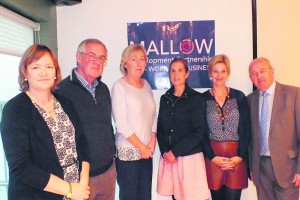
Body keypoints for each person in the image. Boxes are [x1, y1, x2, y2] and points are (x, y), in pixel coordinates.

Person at [0, 44, 90, 200]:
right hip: (37, 195)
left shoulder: (65, 103)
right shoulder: (14, 110)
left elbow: (82, 142)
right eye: (36, 67)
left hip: (76, 192)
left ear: (55, 72)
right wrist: (69, 189)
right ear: (25, 72)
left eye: (49, 66)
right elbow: (21, 167)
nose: (43, 73)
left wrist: (82, 183)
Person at [56, 39, 116, 200]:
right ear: (78, 56)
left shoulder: (103, 89)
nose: (98, 61)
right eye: (92, 55)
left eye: (102, 58)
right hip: (81, 178)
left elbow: (107, 125)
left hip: (108, 171)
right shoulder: (61, 91)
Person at [157, 58, 210, 200]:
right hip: (170, 160)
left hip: (190, 159)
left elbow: (198, 133)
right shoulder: (165, 99)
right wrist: (164, 152)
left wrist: (175, 152)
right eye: (173, 71)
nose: (176, 74)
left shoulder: (197, 99)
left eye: (180, 70)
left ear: (187, 73)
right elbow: (160, 129)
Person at [247, 57, 300, 200]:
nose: (258, 76)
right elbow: (250, 138)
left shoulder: (294, 94)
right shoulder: (250, 100)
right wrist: (252, 167)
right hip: (261, 169)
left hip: (287, 168)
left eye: (262, 71)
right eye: (254, 73)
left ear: (272, 71)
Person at [111, 44, 157, 200]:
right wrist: (141, 147)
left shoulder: (147, 85)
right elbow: (121, 124)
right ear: (125, 63)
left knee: (145, 196)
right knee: (130, 196)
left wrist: (153, 139)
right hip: (128, 153)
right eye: (134, 59)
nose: (139, 63)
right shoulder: (119, 86)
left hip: (146, 152)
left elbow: (153, 115)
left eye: (142, 59)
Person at [202, 54, 251, 200]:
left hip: (236, 159)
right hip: (213, 159)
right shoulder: (202, 99)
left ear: (228, 73)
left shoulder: (239, 96)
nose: (219, 75)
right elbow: (201, 133)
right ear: (210, 73)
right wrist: (212, 157)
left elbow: (246, 129)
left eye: (223, 71)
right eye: (215, 71)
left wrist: (240, 156)